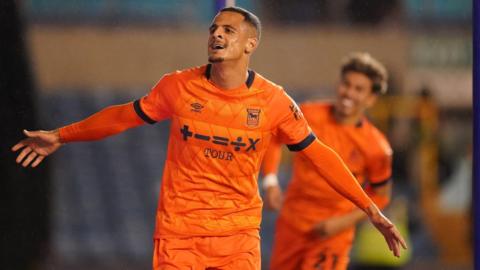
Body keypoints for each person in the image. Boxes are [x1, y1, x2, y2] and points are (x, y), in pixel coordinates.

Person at [11, 7, 405, 270]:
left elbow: (320, 155)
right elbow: (122, 117)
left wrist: (370, 210)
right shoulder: (177, 87)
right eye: (214, 28)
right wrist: (62, 135)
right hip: (179, 234)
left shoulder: (274, 102)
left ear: (250, 44)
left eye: (229, 30)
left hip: (237, 237)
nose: (217, 34)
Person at [262, 52, 396, 270]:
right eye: (346, 84)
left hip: (332, 234)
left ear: (371, 98)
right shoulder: (308, 115)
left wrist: (341, 223)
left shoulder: (376, 147)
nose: (349, 93)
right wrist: (270, 181)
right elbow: (274, 139)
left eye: (359, 89)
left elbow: (381, 196)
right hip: (291, 223)